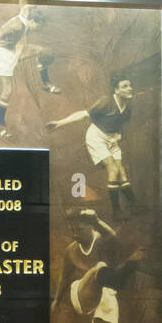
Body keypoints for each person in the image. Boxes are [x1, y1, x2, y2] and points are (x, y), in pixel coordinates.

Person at [52, 208, 145, 323]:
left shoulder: (101, 239)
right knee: (99, 268)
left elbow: (114, 239)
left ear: (91, 227)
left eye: (79, 230)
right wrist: (56, 301)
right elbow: (64, 278)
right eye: (72, 230)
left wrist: (97, 221)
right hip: (82, 294)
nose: (74, 234)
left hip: (107, 296)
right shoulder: (70, 250)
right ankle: (125, 269)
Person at [47, 72, 137, 217]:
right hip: (97, 137)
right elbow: (83, 114)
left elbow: (118, 124)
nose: (129, 88)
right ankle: (116, 211)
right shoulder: (105, 101)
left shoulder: (127, 108)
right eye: (125, 86)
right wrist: (59, 123)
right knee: (112, 168)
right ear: (116, 90)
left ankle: (134, 205)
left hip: (112, 139)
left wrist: (117, 136)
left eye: (130, 85)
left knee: (121, 171)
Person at [0, 0, 60, 138]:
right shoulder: (16, 26)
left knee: (45, 52)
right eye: (37, 25)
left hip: (17, 46)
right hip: (5, 53)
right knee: (8, 90)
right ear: (31, 20)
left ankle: (46, 83)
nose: (38, 27)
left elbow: (24, 4)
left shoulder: (27, 12)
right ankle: (0, 124)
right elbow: (3, 31)